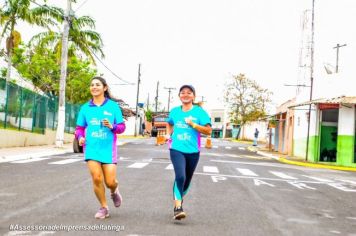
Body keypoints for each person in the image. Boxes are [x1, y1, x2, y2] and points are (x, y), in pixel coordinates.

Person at [75, 76, 126, 219]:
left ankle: (114, 191)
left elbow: (122, 127)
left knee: (110, 181)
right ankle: (104, 207)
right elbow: (79, 128)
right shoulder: (85, 108)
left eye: (97, 84)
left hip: (108, 150)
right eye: (92, 85)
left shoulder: (113, 107)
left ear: (104, 88)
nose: (94, 87)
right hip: (91, 148)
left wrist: (112, 126)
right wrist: (80, 137)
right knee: (97, 178)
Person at [166, 85, 212, 220]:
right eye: (182, 93)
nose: (185, 95)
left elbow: (208, 130)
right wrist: (169, 134)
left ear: (193, 96)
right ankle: (178, 207)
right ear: (179, 96)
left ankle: (179, 198)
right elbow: (169, 123)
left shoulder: (199, 112)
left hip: (193, 151)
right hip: (176, 149)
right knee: (180, 176)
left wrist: (193, 125)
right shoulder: (174, 111)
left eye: (189, 93)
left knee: (187, 180)